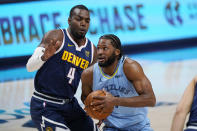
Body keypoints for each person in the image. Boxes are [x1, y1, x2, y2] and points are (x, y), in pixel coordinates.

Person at [26, 5, 97, 131]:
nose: (83, 24)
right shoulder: (56, 37)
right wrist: (43, 57)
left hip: (70, 105)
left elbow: (89, 86)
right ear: (69, 21)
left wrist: (96, 102)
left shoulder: (92, 50)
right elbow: (29, 67)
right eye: (79, 19)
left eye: (87, 21)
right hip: (45, 105)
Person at [81, 34, 156, 131]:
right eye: (98, 48)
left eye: (105, 48)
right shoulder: (88, 74)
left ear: (117, 52)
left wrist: (114, 101)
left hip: (139, 126)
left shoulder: (130, 67)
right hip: (111, 128)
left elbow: (150, 99)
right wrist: (96, 111)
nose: (99, 52)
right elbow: (85, 98)